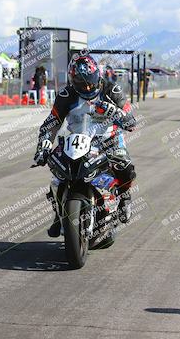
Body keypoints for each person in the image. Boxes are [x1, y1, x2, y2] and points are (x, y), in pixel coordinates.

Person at [34, 55, 137, 237]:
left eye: (90, 82)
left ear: (97, 75)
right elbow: (52, 122)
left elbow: (131, 122)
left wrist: (115, 112)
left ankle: (124, 196)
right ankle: (59, 214)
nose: (88, 87)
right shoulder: (66, 95)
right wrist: (44, 143)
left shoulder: (112, 90)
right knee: (57, 173)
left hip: (108, 140)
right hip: (76, 140)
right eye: (82, 84)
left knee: (126, 167)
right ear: (73, 81)